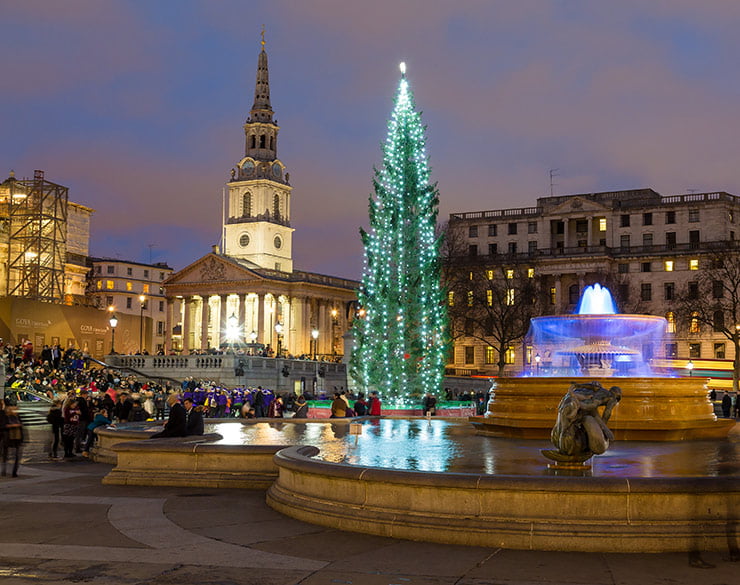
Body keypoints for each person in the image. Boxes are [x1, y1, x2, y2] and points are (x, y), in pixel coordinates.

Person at [1, 401, 23, 477]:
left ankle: (14, 471)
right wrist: (12, 425)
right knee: (5, 455)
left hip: (17, 438)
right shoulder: (5, 416)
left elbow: (22, 427)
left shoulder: (18, 416)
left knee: (16, 456)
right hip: (7, 438)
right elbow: (2, 426)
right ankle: (4, 470)